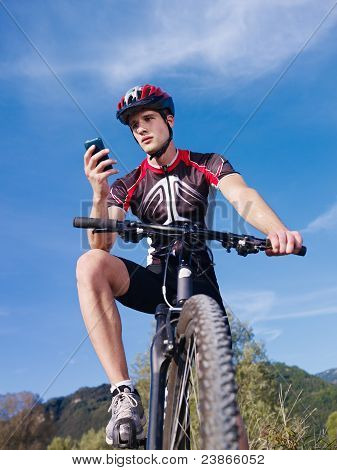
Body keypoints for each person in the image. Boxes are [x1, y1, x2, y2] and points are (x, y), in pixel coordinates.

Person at [76, 84, 303, 449]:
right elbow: (101, 243)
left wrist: (276, 231)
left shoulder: (206, 163)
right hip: (157, 278)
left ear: (169, 120)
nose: (141, 129)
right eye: (134, 125)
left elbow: (241, 196)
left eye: (148, 118)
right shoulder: (128, 183)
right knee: (90, 265)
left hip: (201, 281)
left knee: (226, 413)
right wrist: (100, 193)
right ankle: (123, 396)